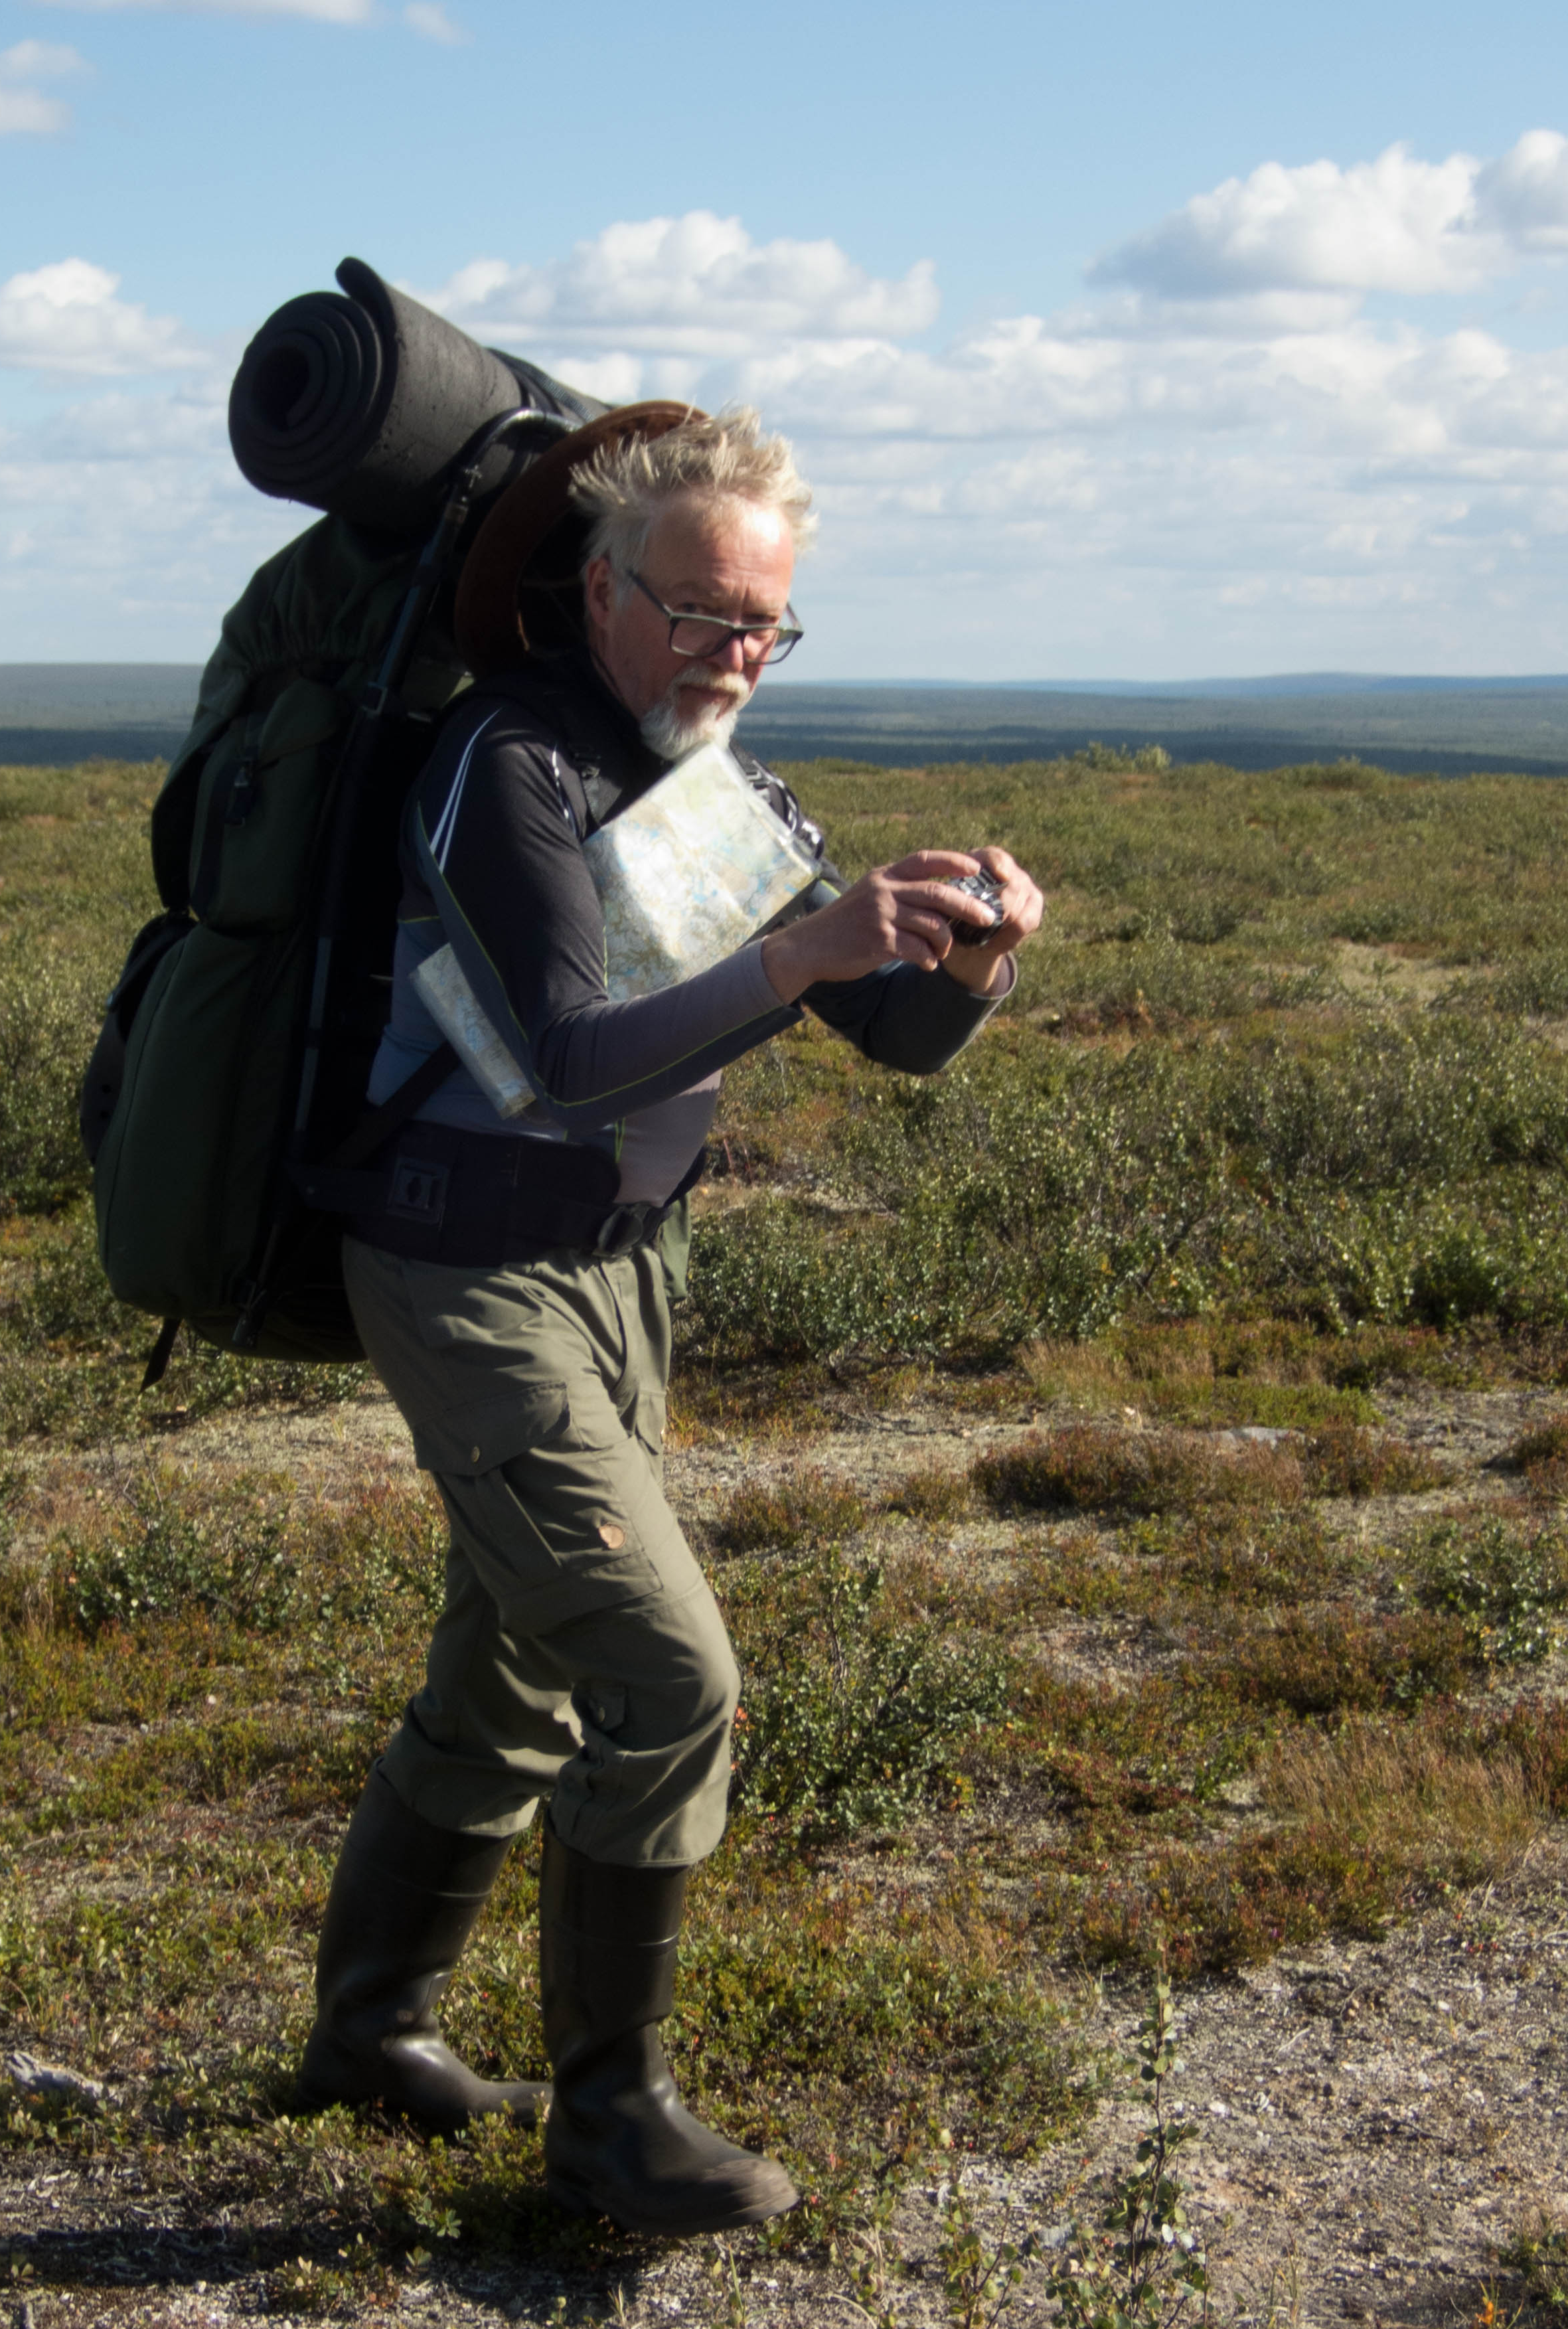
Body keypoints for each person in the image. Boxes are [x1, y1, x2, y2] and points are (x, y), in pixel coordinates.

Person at [297, 406, 1044, 2235]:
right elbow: (562, 1055)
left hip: (623, 1275)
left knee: (514, 1665)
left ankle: (368, 2036)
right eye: (703, 614)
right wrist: (800, 951)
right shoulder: (507, 764)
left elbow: (890, 1036)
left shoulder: (720, 789)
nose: (736, 655)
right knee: (666, 1673)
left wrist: (973, 956)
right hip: (472, 1271)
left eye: (767, 626)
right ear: (600, 590)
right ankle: (611, 2121)